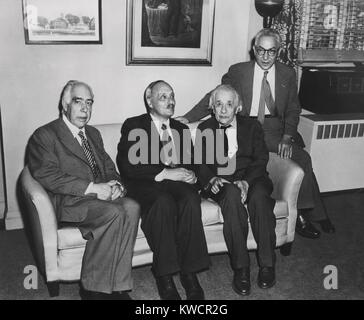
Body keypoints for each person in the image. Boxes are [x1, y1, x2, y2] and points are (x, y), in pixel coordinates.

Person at [176, 28, 335, 239]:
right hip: (247, 127)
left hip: (274, 130)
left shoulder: (287, 73)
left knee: (302, 158)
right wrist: (188, 118)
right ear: (254, 49)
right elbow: (213, 97)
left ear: (278, 51)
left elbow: (293, 109)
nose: (266, 56)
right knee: (300, 160)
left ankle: (307, 212)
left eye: (271, 51)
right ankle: (309, 215)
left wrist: (287, 137)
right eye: (261, 50)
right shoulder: (239, 72)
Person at [27, 80, 140, 300]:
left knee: (132, 207)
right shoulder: (45, 135)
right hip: (70, 201)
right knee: (114, 212)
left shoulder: (93, 134)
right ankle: (93, 289)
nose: (85, 109)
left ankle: (117, 284)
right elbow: (47, 175)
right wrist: (92, 188)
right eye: (79, 102)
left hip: (99, 199)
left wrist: (117, 185)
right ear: (65, 103)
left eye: (89, 103)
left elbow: (109, 168)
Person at [116, 80, 209, 300]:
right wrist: (164, 173)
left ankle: (189, 273)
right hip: (145, 184)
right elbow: (127, 164)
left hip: (176, 184)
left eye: (172, 96)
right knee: (163, 202)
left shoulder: (181, 128)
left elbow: (194, 161)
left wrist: (194, 175)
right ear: (149, 100)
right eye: (163, 96)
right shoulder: (134, 125)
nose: (171, 101)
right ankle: (165, 276)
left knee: (189, 199)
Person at [195, 84, 276, 295]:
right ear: (212, 107)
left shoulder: (252, 127)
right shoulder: (205, 129)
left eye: (229, 104)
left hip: (252, 177)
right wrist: (211, 178)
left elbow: (261, 159)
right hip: (221, 182)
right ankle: (241, 268)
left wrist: (247, 182)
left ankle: (267, 264)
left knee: (259, 197)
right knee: (230, 195)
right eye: (219, 104)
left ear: (238, 107)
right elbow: (200, 163)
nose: (223, 110)